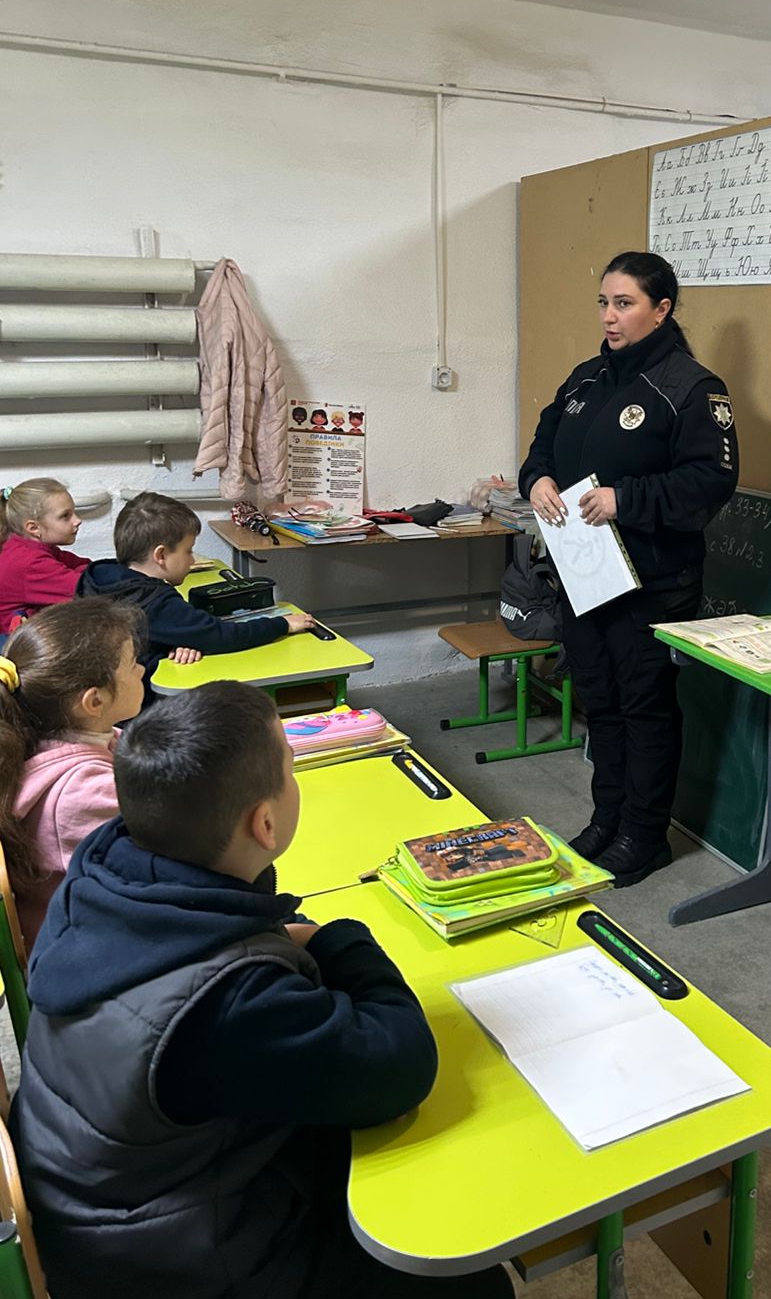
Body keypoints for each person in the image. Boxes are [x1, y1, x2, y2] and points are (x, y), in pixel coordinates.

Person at [12, 681, 513, 1299]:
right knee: (466, 1276)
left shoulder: (104, 870)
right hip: (168, 1263)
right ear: (266, 823)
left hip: (105, 1204)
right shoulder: (227, 1000)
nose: (294, 779)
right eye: (291, 769)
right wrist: (337, 939)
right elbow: (400, 1064)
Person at [519, 250, 739, 887]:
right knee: (602, 701)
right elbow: (543, 445)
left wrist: (627, 500)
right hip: (585, 573)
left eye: (624, 304)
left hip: (653, 581)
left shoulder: (692, 387)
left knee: (644, 708)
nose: (609, 317)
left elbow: (712, 481)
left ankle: (644, 835)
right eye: (604, 303)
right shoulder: (585, 379)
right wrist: (538, 481)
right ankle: (607, 818)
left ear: (661, 310)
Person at [0, 598, 145, 945]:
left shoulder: (61, 737)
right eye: (132, 664)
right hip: (89, 951)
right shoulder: (82, 792)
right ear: (94, 702)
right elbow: (156, 865)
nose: (141, 670)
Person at [76, 492, 315, 695]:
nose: (192, 560)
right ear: (161, 555)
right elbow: (222, 635)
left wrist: (180, 641)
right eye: (188, 551)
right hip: (141, 705)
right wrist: (283, 624)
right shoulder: (156, 603)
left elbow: (158, 634)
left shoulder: (99, 577)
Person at [0, 478, 90, 636]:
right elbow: (87, 587)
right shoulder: (29, 563)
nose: (77, 521)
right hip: (12, 644)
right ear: (33, 528)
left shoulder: (28, 547)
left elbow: (87, 566)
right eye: (65, 516)